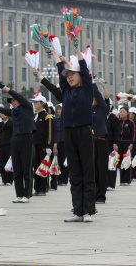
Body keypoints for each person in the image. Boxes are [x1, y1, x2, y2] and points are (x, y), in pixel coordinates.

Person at [50, 38, 95, 222]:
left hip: (84, 131)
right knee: (74, 172)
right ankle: (77, 211)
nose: (69, 76)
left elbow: (83, 68)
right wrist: (53, 52)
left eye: (73, 75)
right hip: (69, 131)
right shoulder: (66, 91)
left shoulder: (87, 89)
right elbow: (60, 69)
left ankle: (88, 211)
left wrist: (77, 48)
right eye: (68, 75)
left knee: (87, 170)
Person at [0, 85, 35, 203]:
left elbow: (20, 96)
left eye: (14, 100)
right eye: (11, 101)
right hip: (15, 140)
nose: (13, 102)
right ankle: (19, 194)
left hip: (26, 138)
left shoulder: (27, 107)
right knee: (16, 169)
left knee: (26, 168)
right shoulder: (13, 112)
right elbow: (1, 110)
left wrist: (5, 88)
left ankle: (26, 195)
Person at [31, 94, 53, 196]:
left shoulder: (47, 117)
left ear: (42, 103)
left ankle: (43, 188)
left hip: (43, 145)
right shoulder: (35, 116)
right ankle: (37, 188)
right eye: (34, 102)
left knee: (43, 166)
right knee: (36, 167)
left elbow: (49, 133)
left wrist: (49, 146)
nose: (35, 104)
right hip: (35, 144)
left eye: (37, 102)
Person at [92, 82, 108, 204]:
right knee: (93, 170)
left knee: (102, 169)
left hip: (101, 141)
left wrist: (93, 84)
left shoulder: (102, 108)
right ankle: (93, 193)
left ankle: (101, 195)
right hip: (90, 142)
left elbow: (99, 95)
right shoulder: (87, 110)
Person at [115, 106, 135, 186]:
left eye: (123, 112)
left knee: (126, 161)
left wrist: (131, 143)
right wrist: (115, 143)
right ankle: (122, 180)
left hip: (127, 143)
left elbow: (133, 133)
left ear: (127, 113)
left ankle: (127, 180)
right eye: (121, 112)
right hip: (119, 143)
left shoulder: (130, 122)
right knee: (120, 161)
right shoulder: (118, 122)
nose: (122, 113)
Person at [0, 110, 13, 186]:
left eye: (4, 113)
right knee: (2, 162)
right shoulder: (0, 124)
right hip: (1, 145)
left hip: (8, 145)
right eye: (1, 113)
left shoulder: (11, 123)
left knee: (8, 161)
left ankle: (9, 180)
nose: (2, 114)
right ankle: (4, 179)